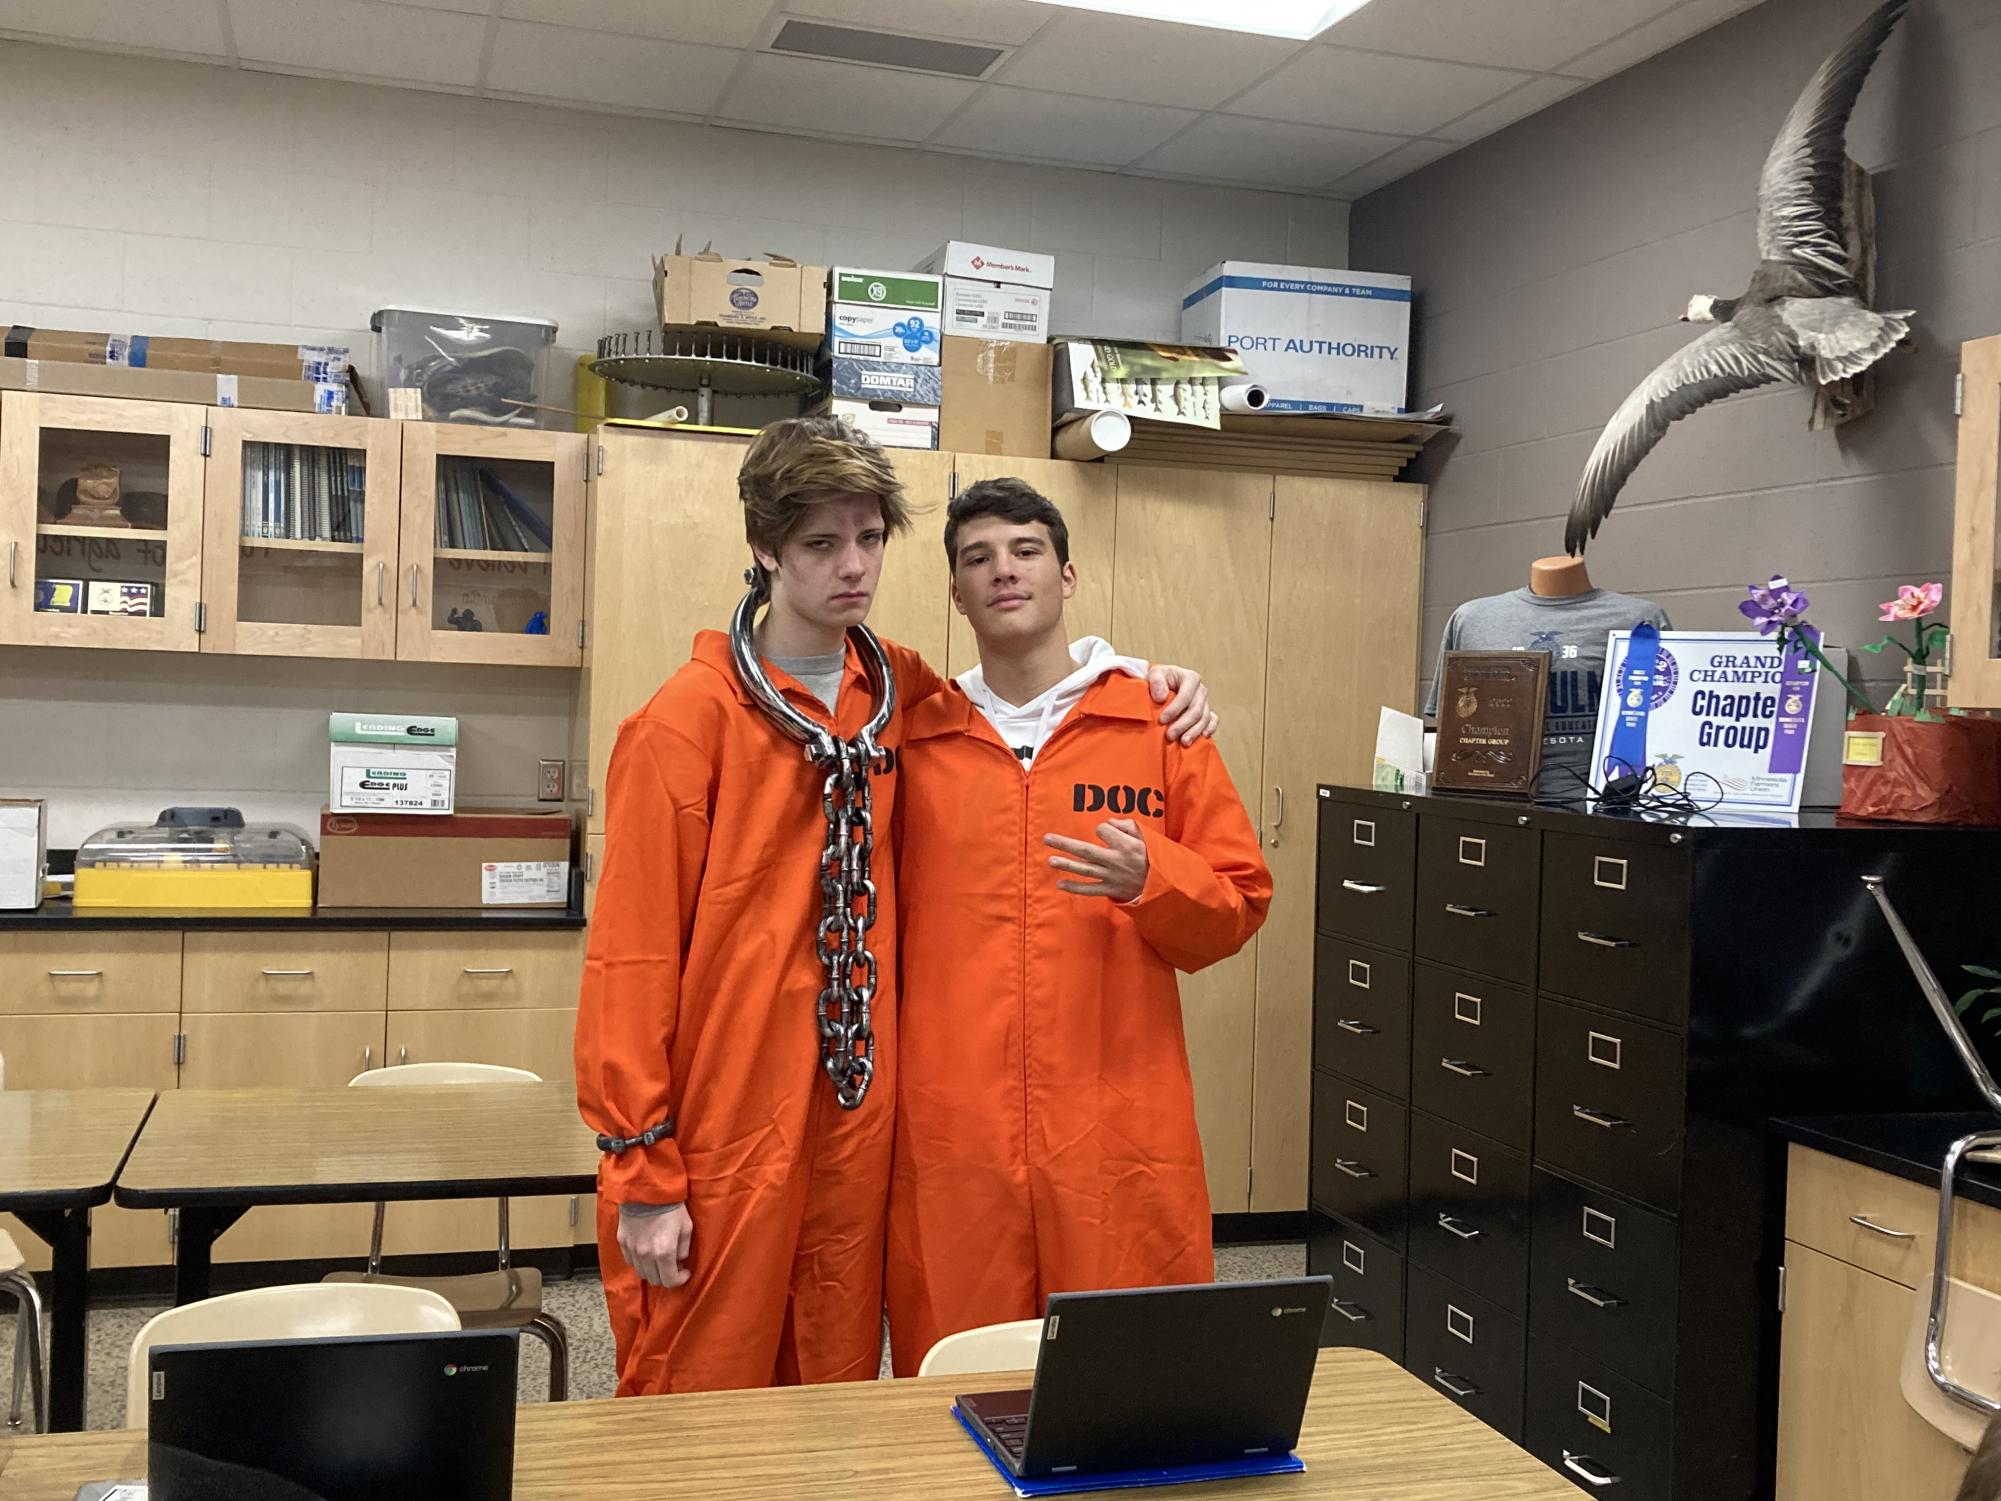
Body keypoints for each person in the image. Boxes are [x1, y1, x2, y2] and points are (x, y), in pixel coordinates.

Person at [575, 417, 1213, 1396]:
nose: (853, 567)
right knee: (700, 1373)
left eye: (868, 538)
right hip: (727, 1111)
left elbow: (1023, 690)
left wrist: (1143, 678)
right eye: (821, 544)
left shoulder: (896, 695)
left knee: (833, 1367)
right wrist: (640, 1166)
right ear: (764, 550)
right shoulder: (685, 722)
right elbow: (630, 960)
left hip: (854, 1107)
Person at [885, 475, 1273, 1377]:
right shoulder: (917, 735)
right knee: (960, 1363)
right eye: (976, 558)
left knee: (1124, 1366)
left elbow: (1238, 904)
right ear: (955, 592)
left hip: (1113, 1110)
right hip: (954, 1116)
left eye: (1025, 550)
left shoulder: (1155, 722)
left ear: (1068, 575)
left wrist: (1155, 878)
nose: (1003, 571)